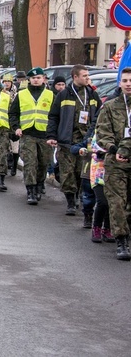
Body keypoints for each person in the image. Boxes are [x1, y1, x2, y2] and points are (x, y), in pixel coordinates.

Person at [47, 65, 101, 216]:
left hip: (85, 142)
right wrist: (51, 136)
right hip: (67, 141)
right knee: (67, 173)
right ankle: (71, 201)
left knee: (81, 173)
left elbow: (99, 115)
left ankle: (79, 196)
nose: (87, 78)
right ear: (75, 77)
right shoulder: (64, 94)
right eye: (84, 75)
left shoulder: (92, 94)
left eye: (88, 75)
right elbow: (53, 116)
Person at [94, 67, 131, 260]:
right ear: (119, 83)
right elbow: (102, 132)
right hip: (116, 163)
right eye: (125, 80)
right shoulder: (110, 106)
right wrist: (113, 148)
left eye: (130, 80)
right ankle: (121, 240)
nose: (128, 84)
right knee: (116, 202)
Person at [9, 68, 54, 205]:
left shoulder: (50, 95)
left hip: (45, 134)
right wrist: (16, 127)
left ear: (43, 79)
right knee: (30, 162)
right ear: (29, 79)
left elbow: (55, 116)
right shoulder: (22, 95)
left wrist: (54, 133)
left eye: (38, 77)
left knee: (43, 162)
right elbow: (13, 113)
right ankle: (31, 190)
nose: (36, 80)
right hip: (27, 133)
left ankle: (40, 184)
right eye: (33, 78)